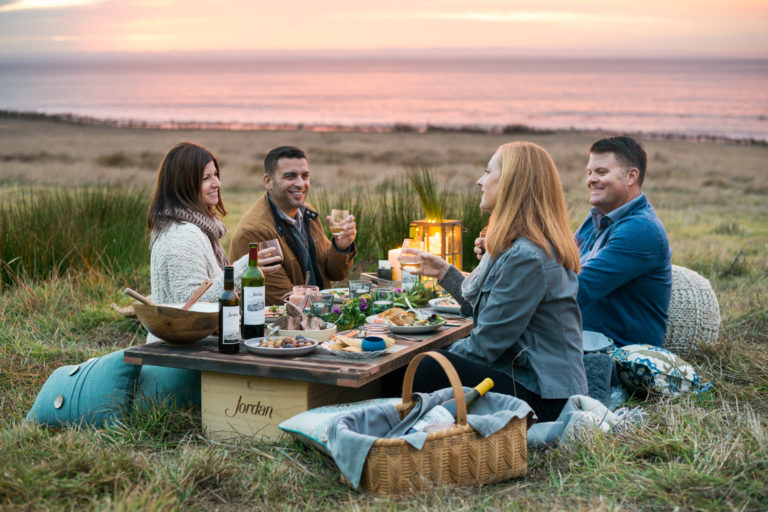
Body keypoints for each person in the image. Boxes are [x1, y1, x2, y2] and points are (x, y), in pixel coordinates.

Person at [403, 141, 587, 422]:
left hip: (544, 397)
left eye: (488, 172)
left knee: (427, 367)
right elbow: (492, 312)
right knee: (429, 362)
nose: (480, 181)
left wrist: (429, 354)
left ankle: (398, 425)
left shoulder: (527, 257)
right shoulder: (517, 247)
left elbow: (486, 344)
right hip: (529, 381)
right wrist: (444, 273)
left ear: (513, 184)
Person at [147, 142, 280, 342]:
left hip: (193, 348)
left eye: (216, 174)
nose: (217, 183)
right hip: (180, 358)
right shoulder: (181, 236)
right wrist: (243, 270)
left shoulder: (195, 229)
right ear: (183, 185)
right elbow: (191, 305)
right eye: (205, 178)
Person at [229, 145, 356, 305]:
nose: (301, 183)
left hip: (316, 316)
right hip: (276, 326)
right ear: (268, 182)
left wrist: (341, 247)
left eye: (305, 176)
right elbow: (283, 300)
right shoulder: (255, 232)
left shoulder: (307, 213)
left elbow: (335, 273)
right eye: (290, 177)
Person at [575, 136, 671, 347]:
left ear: (631, 176)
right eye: (589, 172)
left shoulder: (641, 230)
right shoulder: (594, 221)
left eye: (601, 172)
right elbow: (558, 262)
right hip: (581, 343)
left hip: (616, 355)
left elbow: (576, 289)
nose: (591, 180)